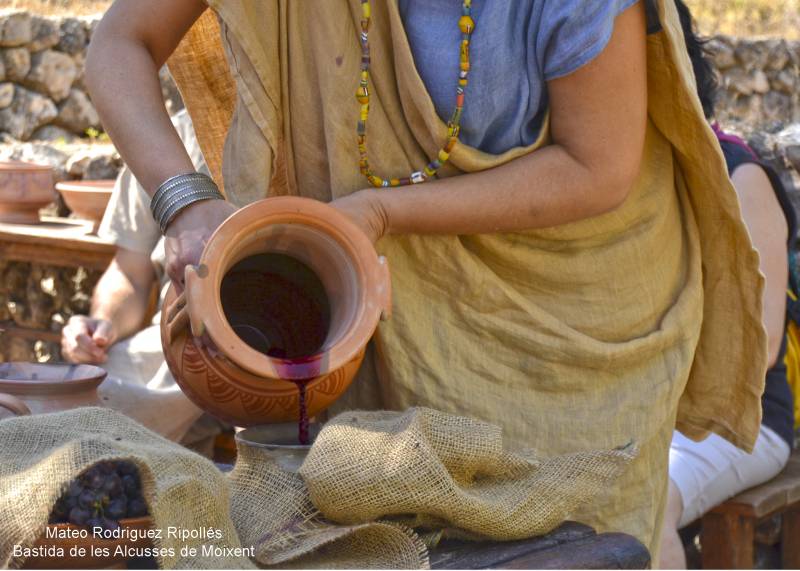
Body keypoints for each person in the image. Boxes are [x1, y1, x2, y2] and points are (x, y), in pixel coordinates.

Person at [84, 0, 768, 555]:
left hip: (569, 339)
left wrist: (381, 210)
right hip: (379, 314)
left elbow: (599, 166)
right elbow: (121, 42)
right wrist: (186, 200)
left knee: (575, 541)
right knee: (383, 527)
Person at [658, 3, 795, 567]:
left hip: (742, 419)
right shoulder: (629, 187)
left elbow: (759, 347)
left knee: (642, 503)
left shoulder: (742, 179)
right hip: (648, 411)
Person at [60, 110, 221, 451]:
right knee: (80, 399)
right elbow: (129, 272)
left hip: (280, 337)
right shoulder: (162, 133)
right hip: (177, 340)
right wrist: (102, 324)